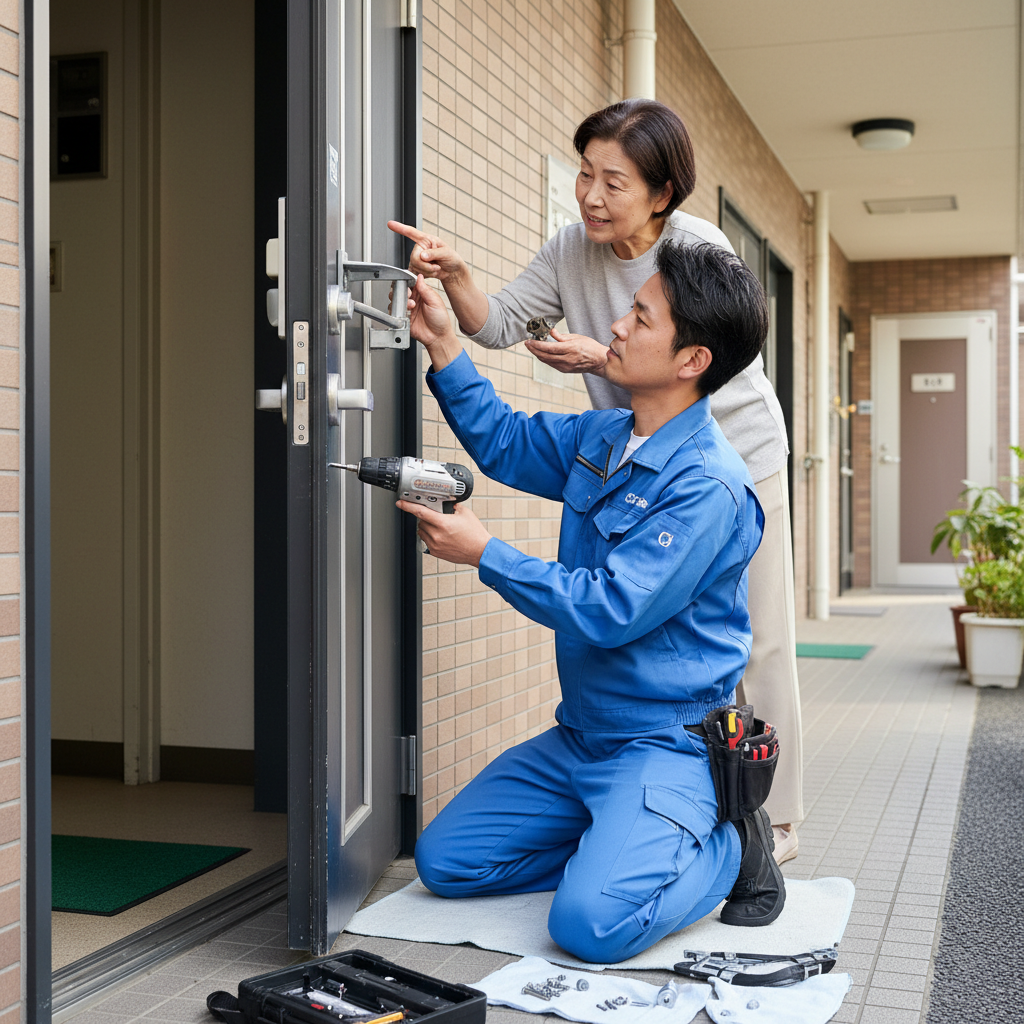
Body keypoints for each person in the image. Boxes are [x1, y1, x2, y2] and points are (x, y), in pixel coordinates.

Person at [389, 99, 803, 863]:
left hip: (728, 450)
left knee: (756, 641)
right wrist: (451, 310)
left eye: (614, 182)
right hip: (630, 429)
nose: (591, 195)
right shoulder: (574, 255)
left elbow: (726, 342)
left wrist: (487, 552)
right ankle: (628, 827)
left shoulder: (696, 254)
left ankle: (762, 823)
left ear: (661, 193)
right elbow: (503, 337)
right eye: (585, 175)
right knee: (451, 860)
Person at [396, 241, 785, 965]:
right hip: (581, 737)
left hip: (664, 743)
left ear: (691, 361)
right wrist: (446, 342)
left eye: (640, 317)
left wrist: (486, 553)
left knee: (588, 929)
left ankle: (727, 846)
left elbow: (610, 608)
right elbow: (505, 442)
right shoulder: (607, 435)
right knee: (445, 864)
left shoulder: (707, 486)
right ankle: (616, 845)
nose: (616, 326)